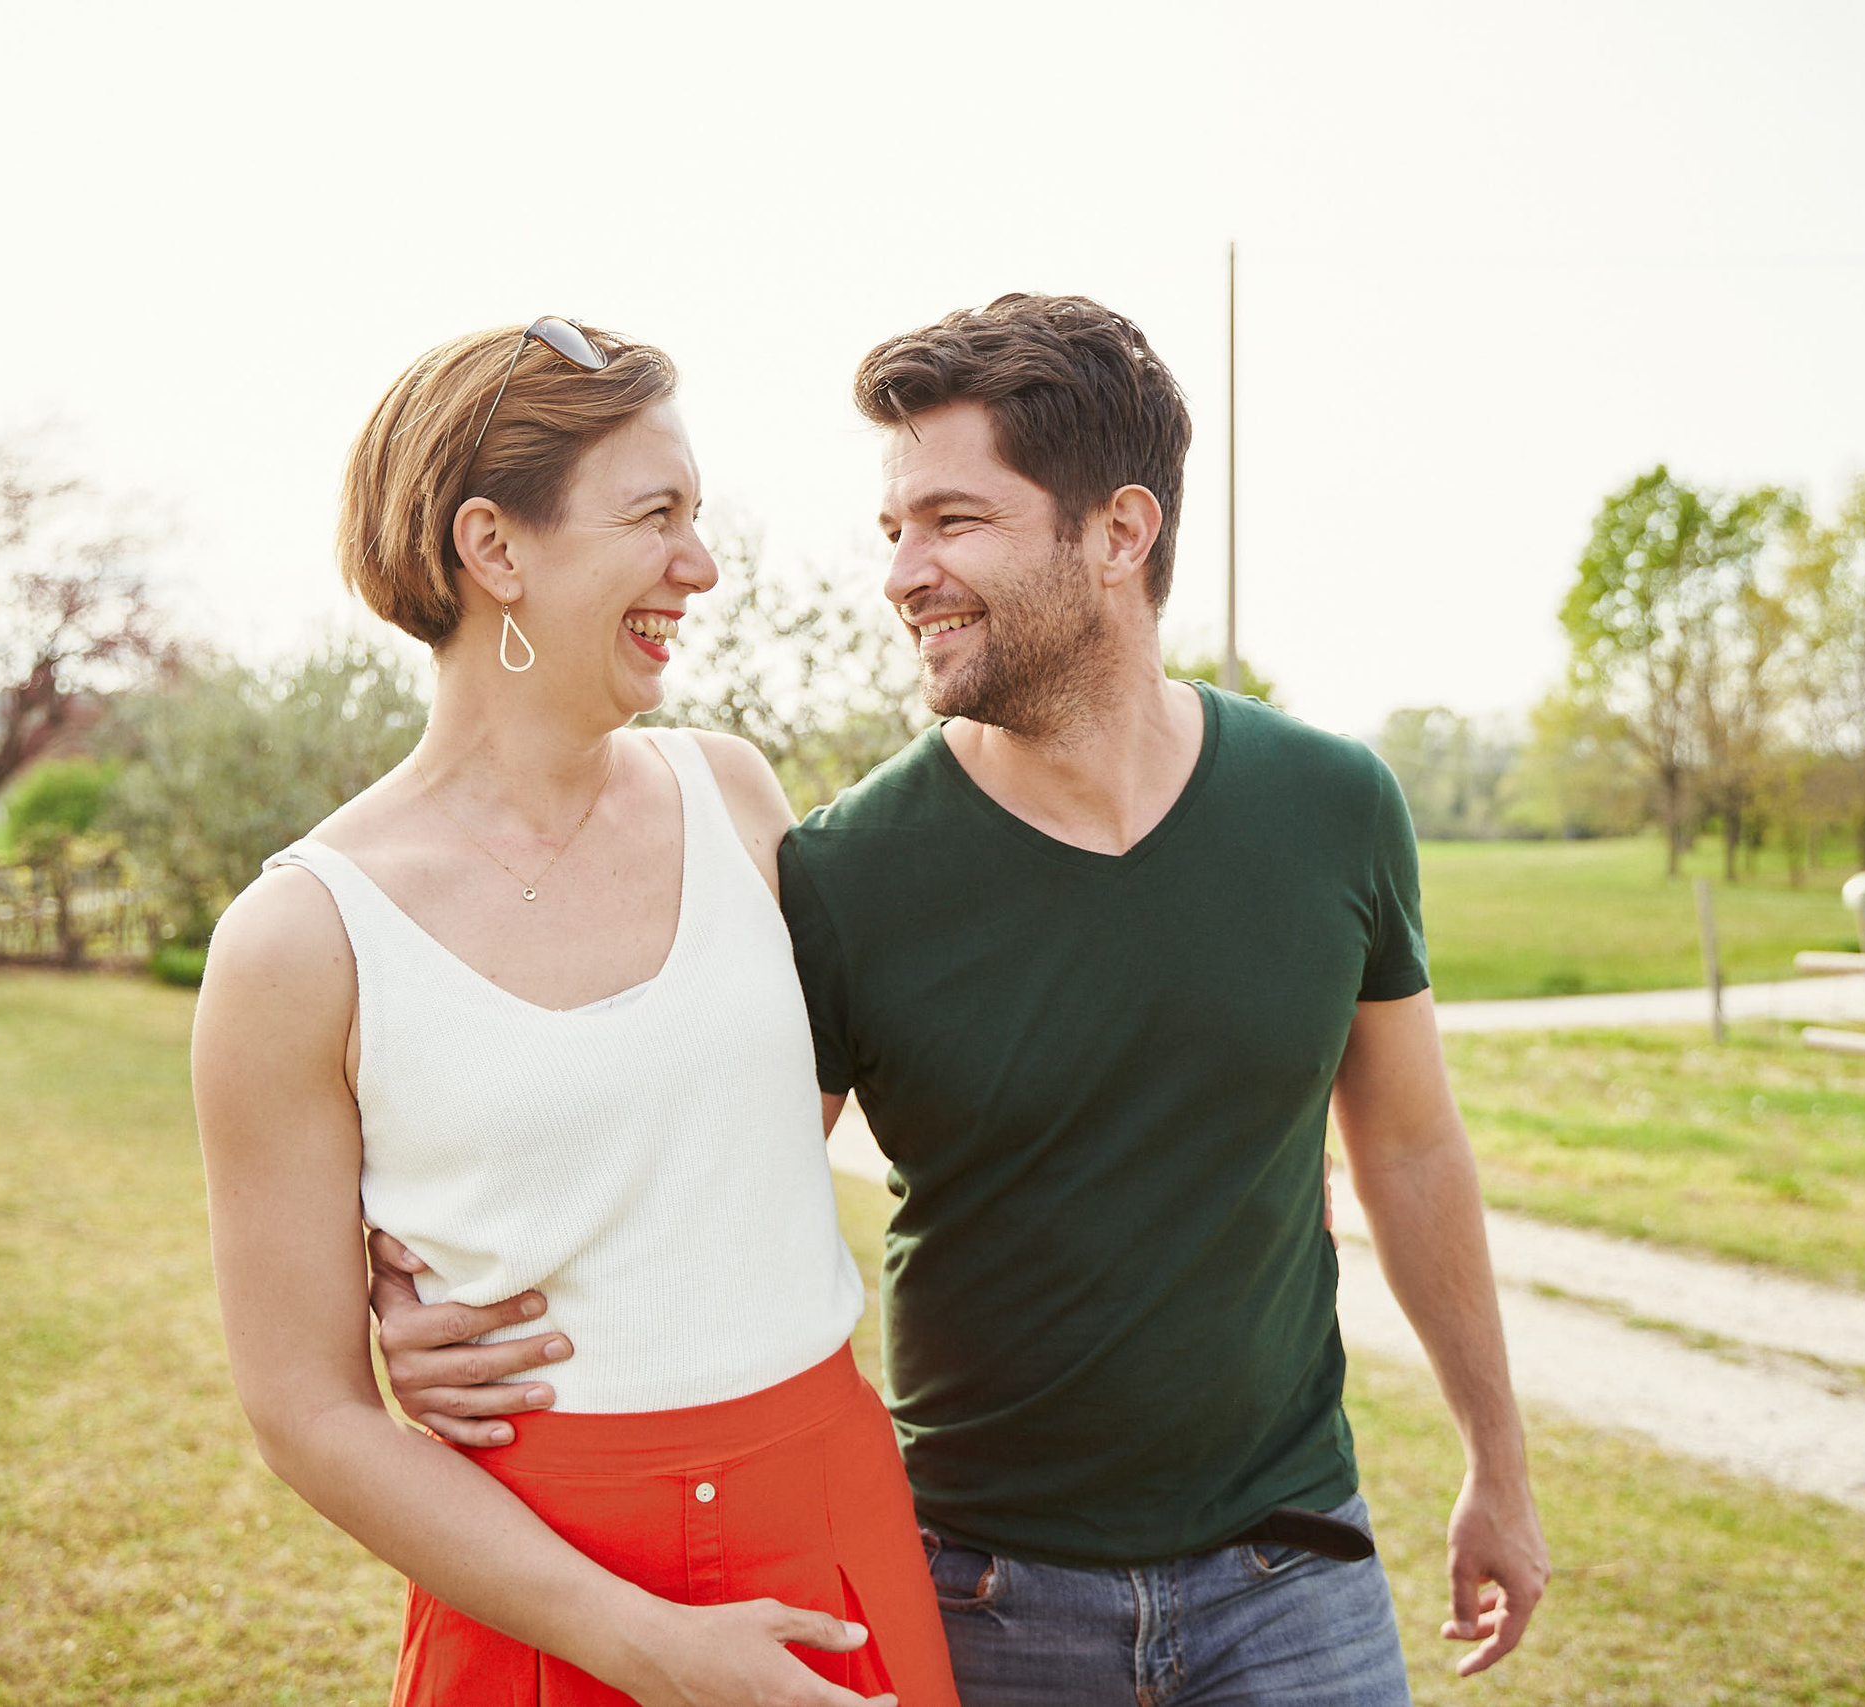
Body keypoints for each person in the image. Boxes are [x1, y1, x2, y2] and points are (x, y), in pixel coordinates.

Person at [371, 294, 1550, 1704]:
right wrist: (425, 1297)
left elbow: (1410, 1144)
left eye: (952, 521)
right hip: (981, 1593)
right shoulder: (849, 870)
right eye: (893, 531)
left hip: (1295, 1569)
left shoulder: (1335, 806)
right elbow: (695, 1175)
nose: (903, 574)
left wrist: (1498, 1456)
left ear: (1119, 533)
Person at [189, 317, 957, 1707]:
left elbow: (779, 1117)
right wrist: (638, 1642)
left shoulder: (735, 794)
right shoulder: (298, 939)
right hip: (541, 1585)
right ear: (495, 548)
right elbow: (302, 1411)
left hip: (827, 1528)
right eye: (655, 515)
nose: (702, 566)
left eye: (698, 517)